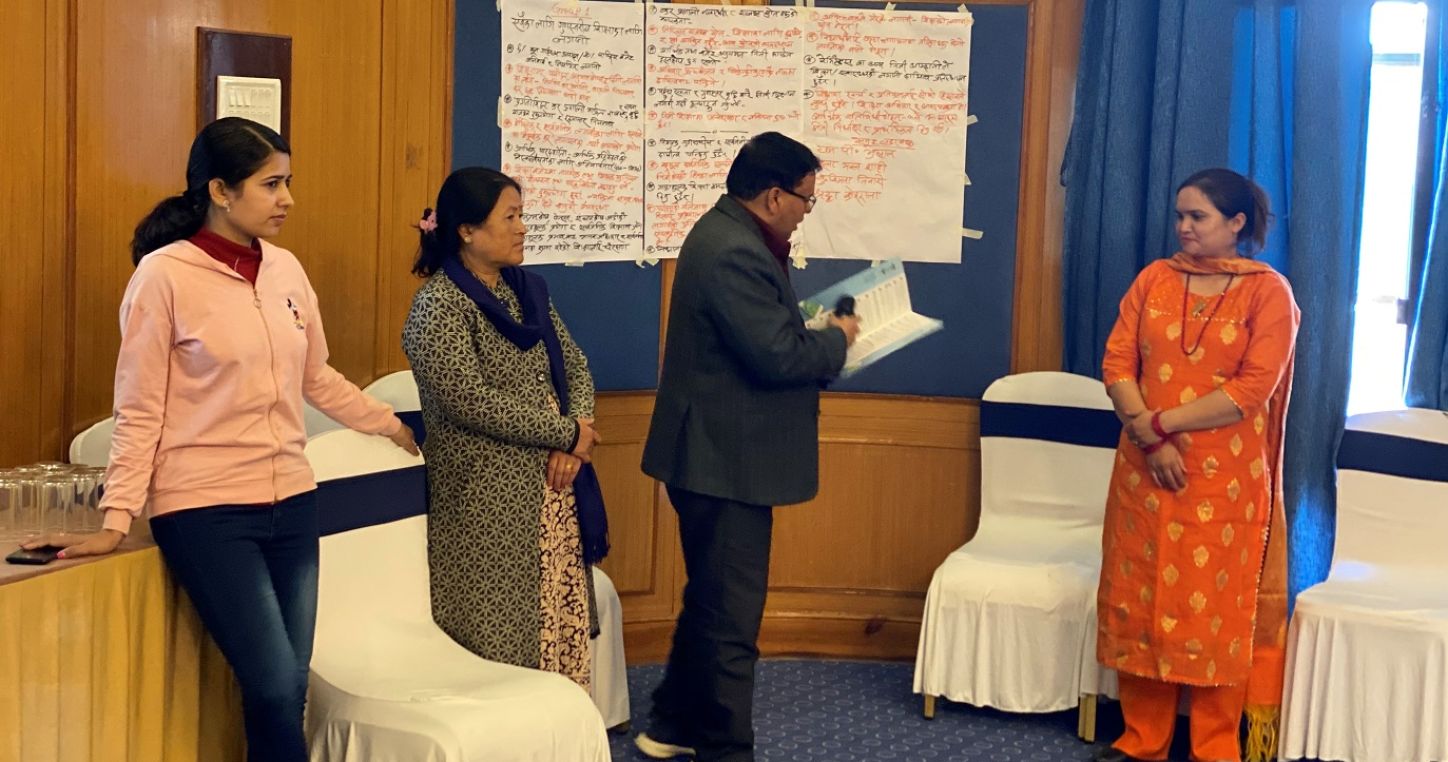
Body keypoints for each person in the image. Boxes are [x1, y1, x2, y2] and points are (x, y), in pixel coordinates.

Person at [23, 117, 419, 762]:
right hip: (205, 510)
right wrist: (116, 518)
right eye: (271, 184)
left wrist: (390, 424)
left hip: (294, 500)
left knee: (288, 689)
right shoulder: (163, 276)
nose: (287, 198)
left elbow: (316, 375)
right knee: (273, 684)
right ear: (220, 191)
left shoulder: (286, 269)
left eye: (287, 182)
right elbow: (139, 408)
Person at [636, 132, 861, 762]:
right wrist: (838, 339)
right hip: (722, 462)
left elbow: (761, 337)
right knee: (732, 622)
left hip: (715, 456)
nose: (807, 211)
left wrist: (811, 331)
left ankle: (673, 724)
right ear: (773, 196)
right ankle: (726, 749)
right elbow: (777, 356)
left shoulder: (730, 234)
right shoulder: (734, 250)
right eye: (806, 200)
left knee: (711, 599)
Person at [1093, 168, 1299, 762]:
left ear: (1236, 223)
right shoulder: (1154, 279)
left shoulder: (1268, 292)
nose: (1183, 227)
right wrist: (1150, 439)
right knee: (1142, 600)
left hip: (1224, 483)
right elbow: (1117, 362)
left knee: (1215, 615)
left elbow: (1252, 389)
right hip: (1146, 472)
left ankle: (1214, 747)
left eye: (1198, 217)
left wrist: (1159, 424)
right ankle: (1142, 740)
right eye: (1180, 215)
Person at [401, 167, 606, 690]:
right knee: (499, 641)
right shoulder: (439, 305)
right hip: (485, 502)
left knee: (556, 624)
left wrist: (576, 441)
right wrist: (566, 434)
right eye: (509, 217)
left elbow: (575, 365)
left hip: (554, 490)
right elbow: (469, 401)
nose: (522, 228)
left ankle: (558, 727)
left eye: (521, 215)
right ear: (467, 230)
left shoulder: (527, 291)